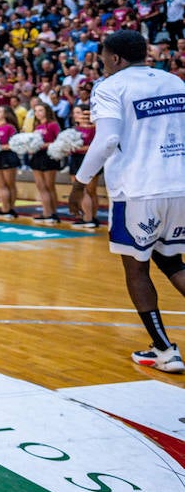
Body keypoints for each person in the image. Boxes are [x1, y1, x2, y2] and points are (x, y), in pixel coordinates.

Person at [73, 30, 185, 374]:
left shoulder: (110, 87)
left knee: (136, 267)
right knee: (171, 260)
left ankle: (164, 350)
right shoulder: (174, 82)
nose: (101, 62)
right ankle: (163, 348)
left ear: (116, 59)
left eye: (103, 57)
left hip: (137, 188)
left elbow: (107, 139)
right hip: (179, 185)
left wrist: (79, 183)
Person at [27, 101, 62, 224]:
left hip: (49, 156)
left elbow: (59, 141)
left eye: (40, 110)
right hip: (37, 156)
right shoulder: (36, 126)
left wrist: (44, 145)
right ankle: (46, 212)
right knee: (41, 186)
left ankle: (52, 213)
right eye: (36, 111)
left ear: (47, 111)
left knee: (49, 186)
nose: (38, 113)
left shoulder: (53, 125)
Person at [0, 104, 20, 219]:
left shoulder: (10, 127)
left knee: (9, 184)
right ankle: (4, 208)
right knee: (1, 185)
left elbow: (14, 144)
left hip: (8, 156)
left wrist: (0, 147)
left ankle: (10, 209)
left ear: (5, 114)